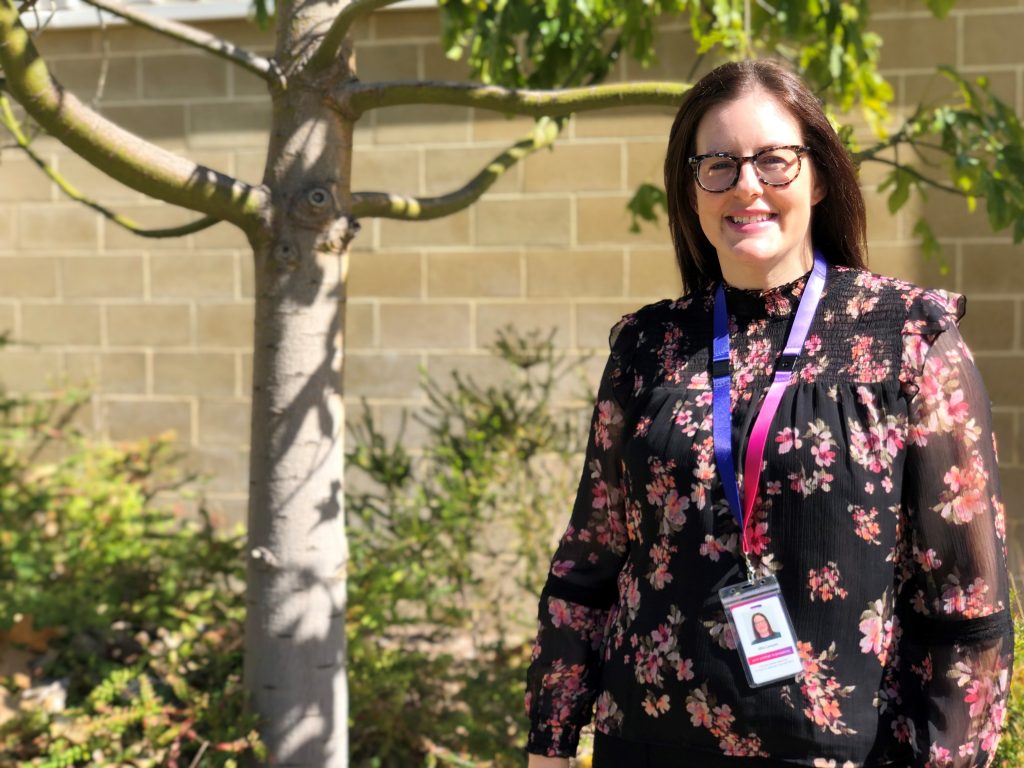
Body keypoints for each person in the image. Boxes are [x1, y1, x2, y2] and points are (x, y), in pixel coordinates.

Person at [525, 59, 1014, 768]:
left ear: (818, 177)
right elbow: (590, 560)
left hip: (841, 751)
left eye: (773, 161)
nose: (747, 185)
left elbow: (968, 602)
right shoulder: (647, 347)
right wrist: (550, 742)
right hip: (649, 743)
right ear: (690, 191)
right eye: (718, 164)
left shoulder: (906, 338)